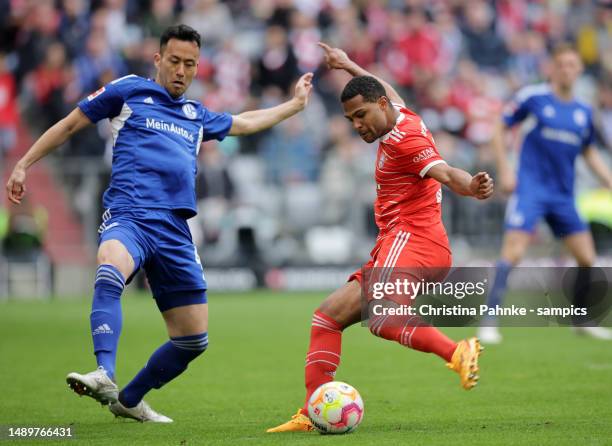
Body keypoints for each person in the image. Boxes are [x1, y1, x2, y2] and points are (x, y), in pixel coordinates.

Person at [6, 24, 313, 422]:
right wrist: (23, 164)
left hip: (175, 230)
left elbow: (245, 122)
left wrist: (295, 105)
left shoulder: (195, 114)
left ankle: (128, 400)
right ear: (158, 59)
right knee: (110, 264)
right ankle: (104, 372)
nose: (182, 71)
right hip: (130, 215)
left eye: (190, 64)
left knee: (192, 339)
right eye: (174, 61)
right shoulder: (128, 90)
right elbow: (68, 125)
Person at [267, 42, 494, 433]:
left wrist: (470, 186)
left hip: (414, 240)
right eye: (351, 118)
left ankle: (457, 351)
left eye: (362, 115)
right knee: (327, 318)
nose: (357, 125)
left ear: (381, 108)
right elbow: (387, 90)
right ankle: (310, 411)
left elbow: (445, 172)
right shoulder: (399, 112)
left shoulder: (407, 141)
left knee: (383, 316)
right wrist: (349, 64)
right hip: (401, 242)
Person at [478, 44, 612, 344]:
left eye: (572, 65)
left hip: (564, 195)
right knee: (512, 252)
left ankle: (582, 319)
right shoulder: (533, 98)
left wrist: (608, 180)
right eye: (561, 64)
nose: (566, 69)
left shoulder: (584, 111)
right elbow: (500, 126)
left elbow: (588, 151)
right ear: (552, 68)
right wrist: (506, 170)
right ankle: (489, 320)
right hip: (531, 189)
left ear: (578, 70)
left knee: (587, 258)